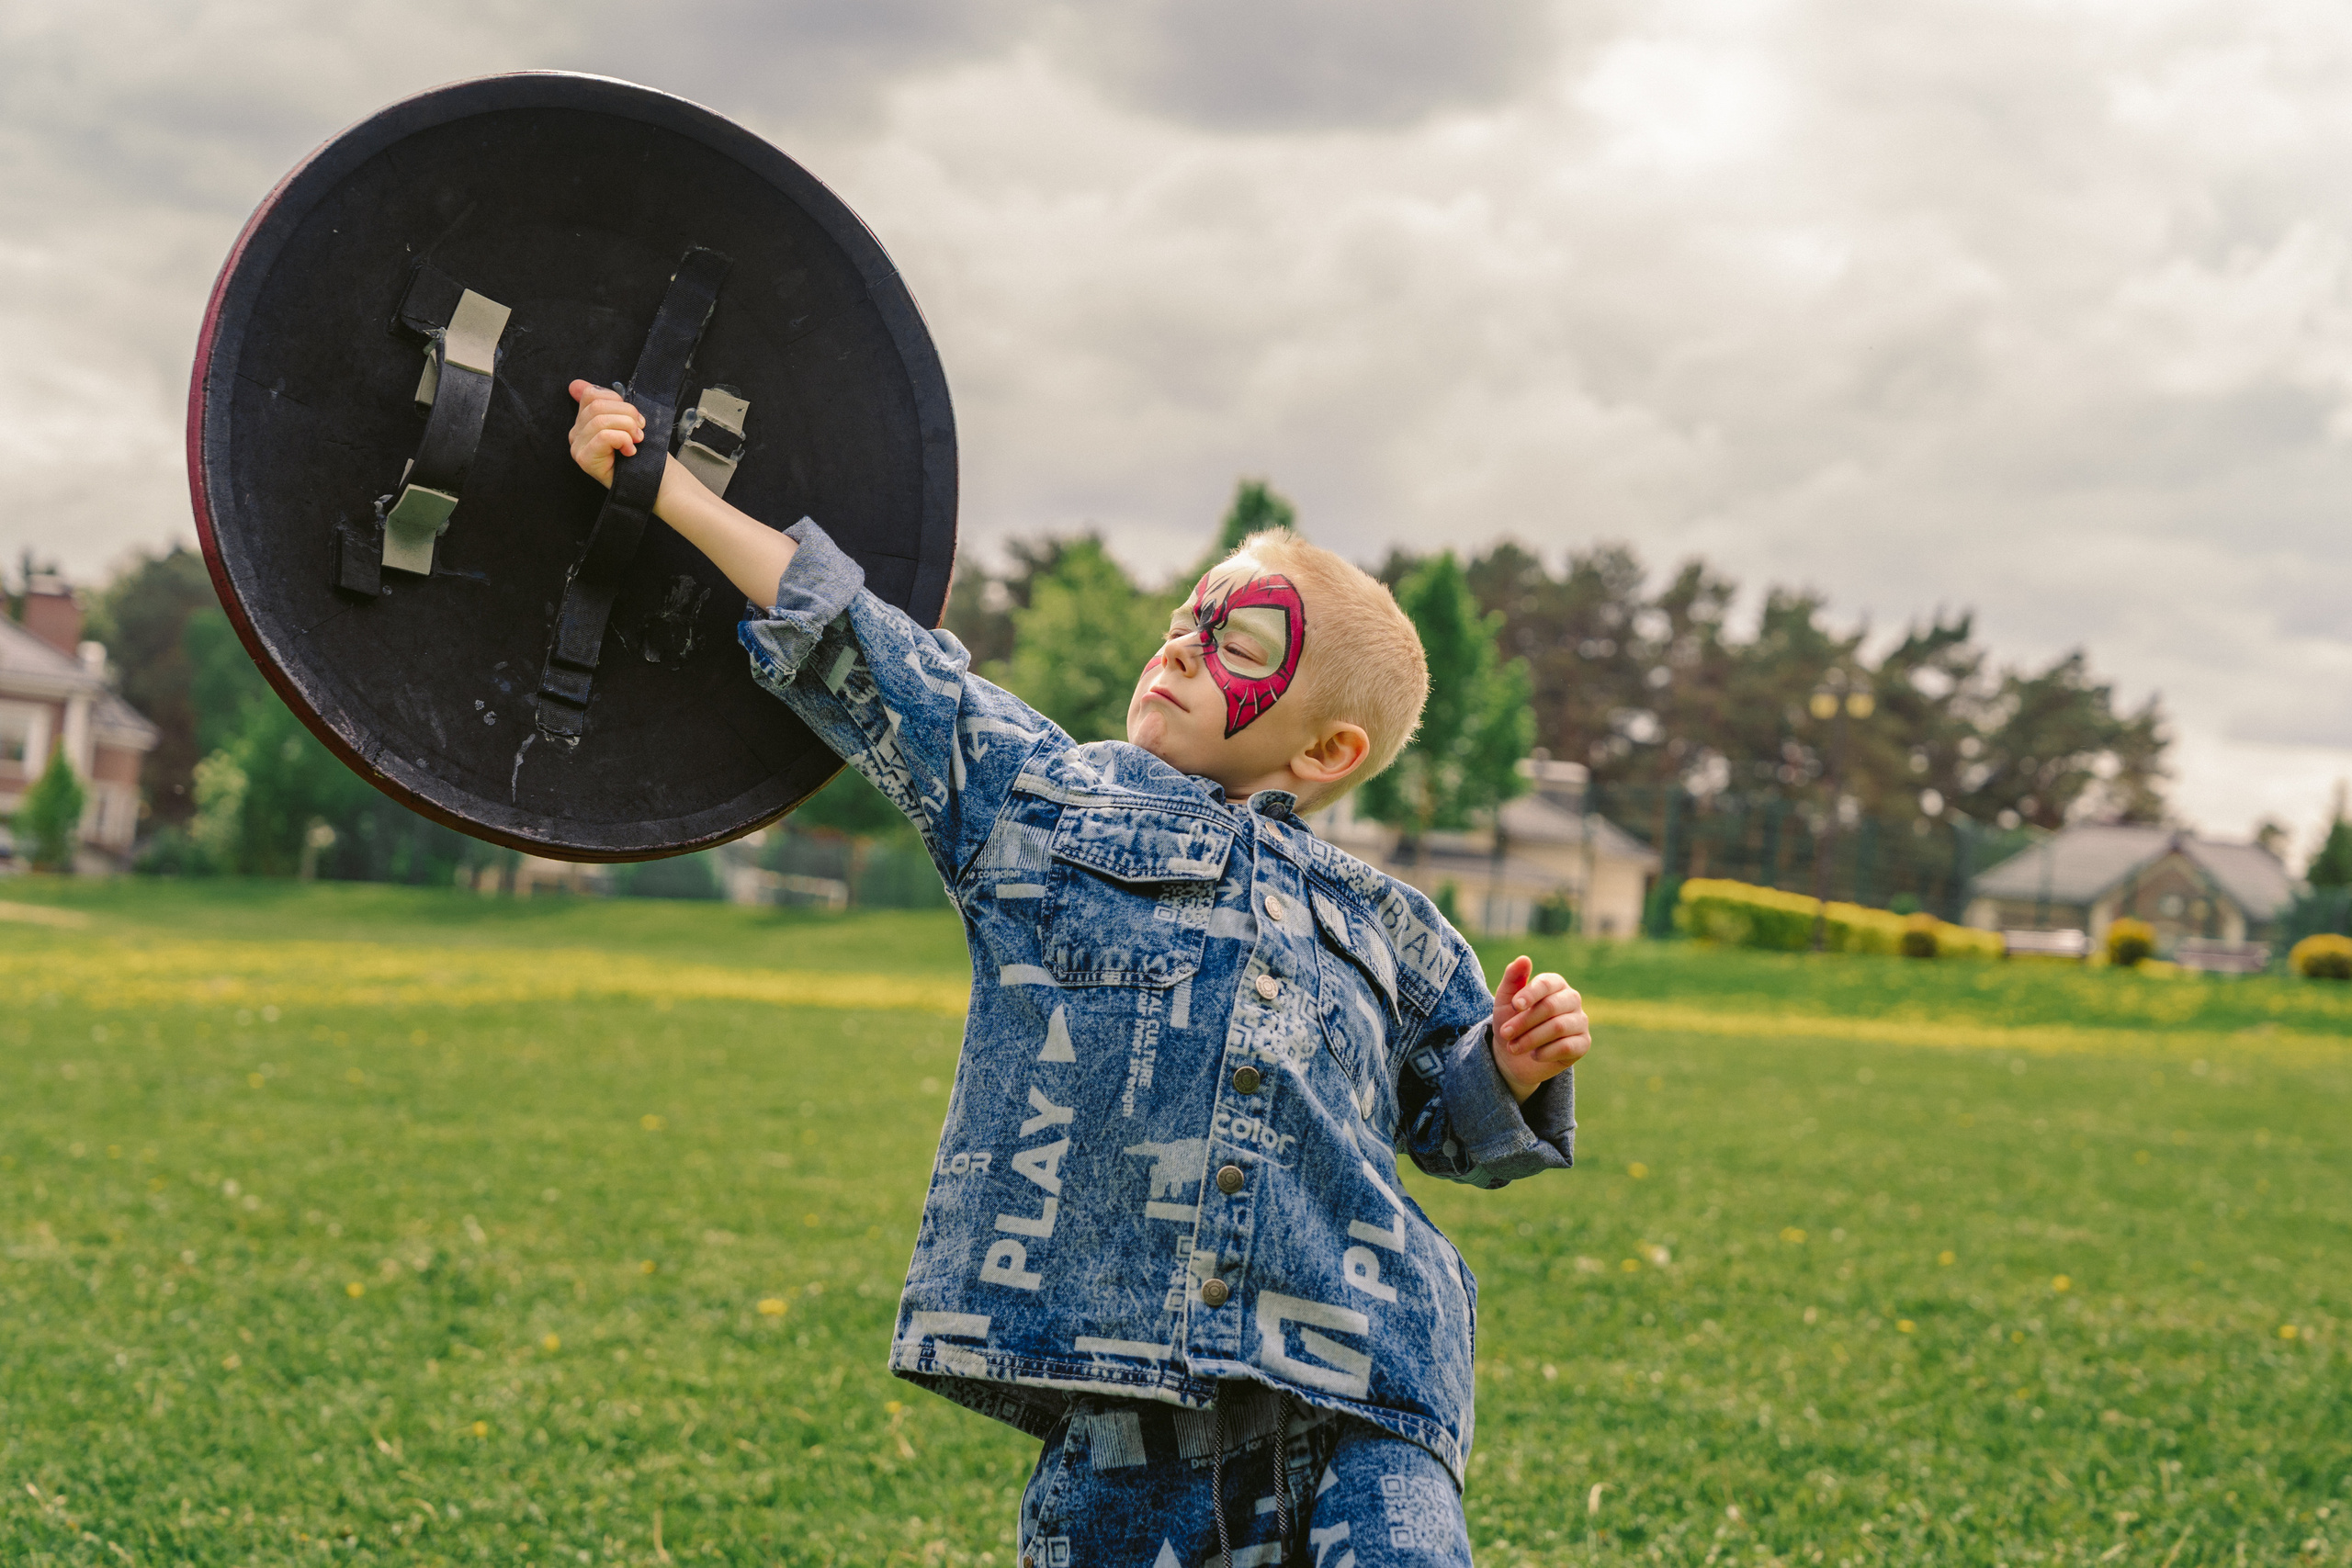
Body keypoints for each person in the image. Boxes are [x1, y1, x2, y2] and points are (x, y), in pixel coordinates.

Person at [566, 382, 1593, 1565]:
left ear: (1326, 749)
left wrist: (1508, 1064)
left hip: (1371, 1393)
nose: (1184, 647)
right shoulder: (1044, 803)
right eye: (1187, 618)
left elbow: (1452, 1127)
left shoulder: (1389, 923)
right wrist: (669, 489)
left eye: (1238, 644)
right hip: (1127, 1417)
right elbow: (867, 646)